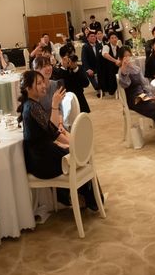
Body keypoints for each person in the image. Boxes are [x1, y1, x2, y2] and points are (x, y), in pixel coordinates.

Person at [18, 70, 99, 209]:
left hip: (41, 156)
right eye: (39, 83)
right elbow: (53, 132)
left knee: (79, 155)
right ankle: (91, 200)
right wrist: (74, 145)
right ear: (28, 88)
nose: (44, 85)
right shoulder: (32, 106)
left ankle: (84, 199)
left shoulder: (32, 104)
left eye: (43, 82)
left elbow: (50, 132)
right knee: (80, 157)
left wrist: (69, 144)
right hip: (41, 161)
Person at [117, 47, 155, 138]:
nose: (128, 59)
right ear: (120, 59)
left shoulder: (135, 68)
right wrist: (124, 69)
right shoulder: (122, 71)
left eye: (129, 56)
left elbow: (144, 84)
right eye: (125, 57)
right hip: (135, 99)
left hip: (143, 95)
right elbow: (125, 84)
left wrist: (151, 94)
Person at [81, 31, 102, 96]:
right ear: (88, 38)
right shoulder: (85, 47)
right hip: (90, 66)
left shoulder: (99, 45)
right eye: (91, 36)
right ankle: (98, 89)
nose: (93, 37)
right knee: (90, 73)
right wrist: (88, 69)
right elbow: (84, 59)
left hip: (99, 66)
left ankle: (103, 87)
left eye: (94, 36)